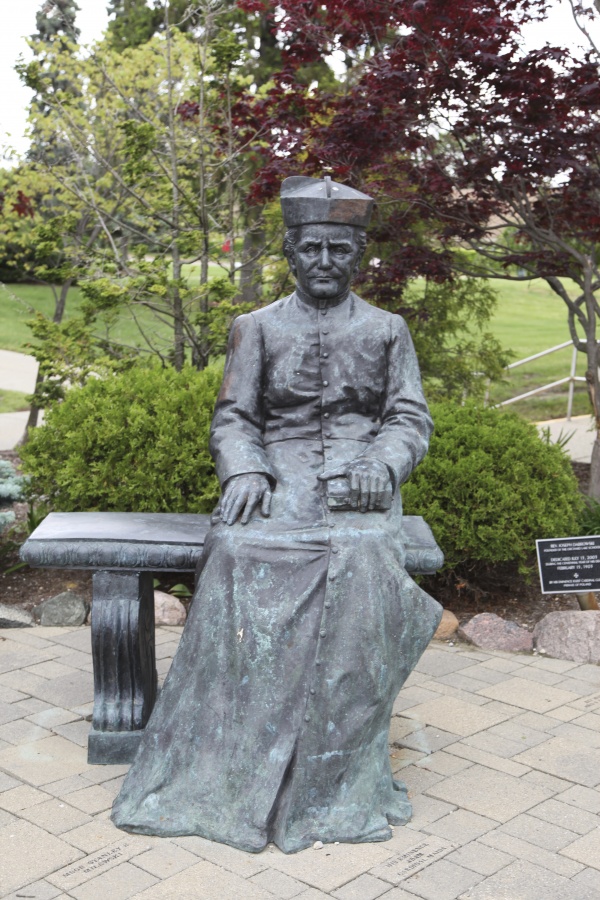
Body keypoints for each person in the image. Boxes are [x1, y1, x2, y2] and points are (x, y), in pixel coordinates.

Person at [111, 175, 442, 854]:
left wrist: (383, 465)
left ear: (357, 256)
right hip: (278, 477)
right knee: (235, 551)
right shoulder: (256, 327)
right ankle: (232, 752)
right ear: (290, 253)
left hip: (362, 482)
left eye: (338, 249)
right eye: (311, 248)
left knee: (361, 560)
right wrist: (245, 469)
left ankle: (332, 770)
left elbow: (409, 417)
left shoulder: (387, 330)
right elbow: (235, 418)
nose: (324, 261)